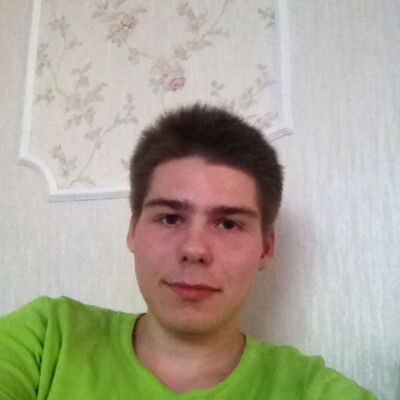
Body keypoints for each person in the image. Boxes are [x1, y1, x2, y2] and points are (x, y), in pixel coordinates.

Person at [0, 104, 376, 399]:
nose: (194, 249)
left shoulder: (310, 389)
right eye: (170, 218)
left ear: (266, 247)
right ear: (133, 230)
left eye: (228, 224)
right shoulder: (48, 338)